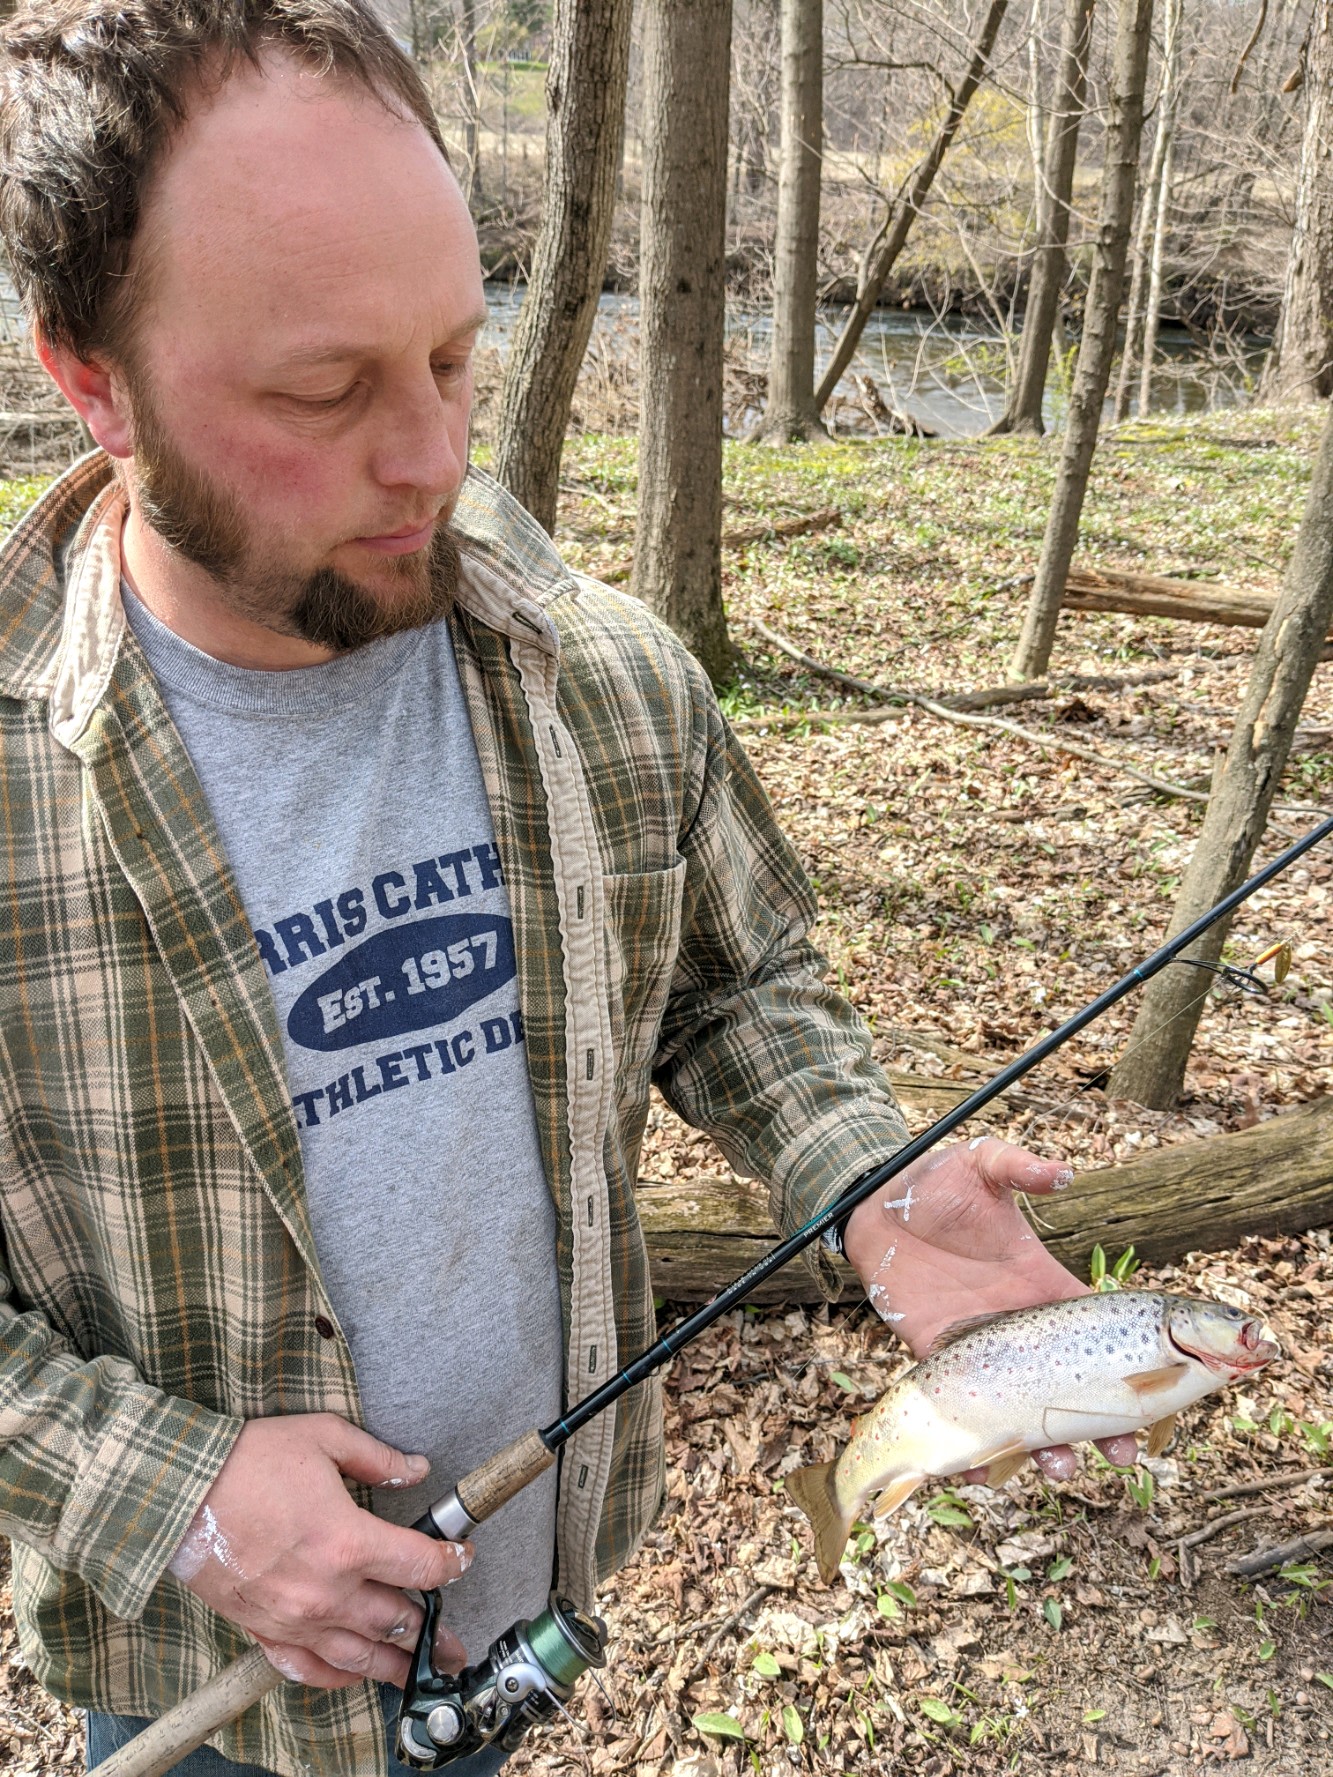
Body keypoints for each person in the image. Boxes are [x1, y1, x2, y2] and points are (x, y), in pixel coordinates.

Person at [0, 4, 1138, 1774]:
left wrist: (863, 1174)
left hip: (513, 1629)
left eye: (456, 357)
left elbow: (733, 981)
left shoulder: (598, 675)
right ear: (92, 379)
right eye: (324, 391)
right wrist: (175, 1490)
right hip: (199, 1690)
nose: (436, 459)